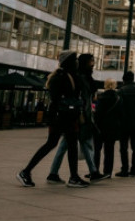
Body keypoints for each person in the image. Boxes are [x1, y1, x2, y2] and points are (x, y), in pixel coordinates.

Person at [18, 51, 87, 188]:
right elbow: (61, 97)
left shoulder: (68, 76)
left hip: (64, 116)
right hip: (62, 116)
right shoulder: (62, 77)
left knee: (64, 144)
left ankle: (73, 176)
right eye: (74, 60)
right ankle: (26, 172)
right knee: (56, 144)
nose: (77, 63)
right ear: (68, 62)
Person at [47, 53, 105, 183]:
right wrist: (85, 116)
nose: (93, 64)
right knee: (74, 144)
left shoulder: (84, 78)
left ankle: (54, 172)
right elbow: (83, 100)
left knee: (68, 145)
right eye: (91, 62)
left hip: (80, 115)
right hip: (79, 116)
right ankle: (89, 172)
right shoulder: (82, 79)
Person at [116, 71, 135, 177]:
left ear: (124, 79)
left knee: (123, 148)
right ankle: (134, 169)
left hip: (124, 124)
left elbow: (118, 108)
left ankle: (124, 169)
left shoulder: (121, 91)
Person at [93, 79, 121, 177]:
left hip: (100, 127)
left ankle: (95, 170)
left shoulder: (101, 97)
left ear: (105, 85)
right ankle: (108, 172)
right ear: (115, 86)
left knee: (97, 149)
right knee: (109, 151)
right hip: (112, 127)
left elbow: (98, 113)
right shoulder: (118, 98)